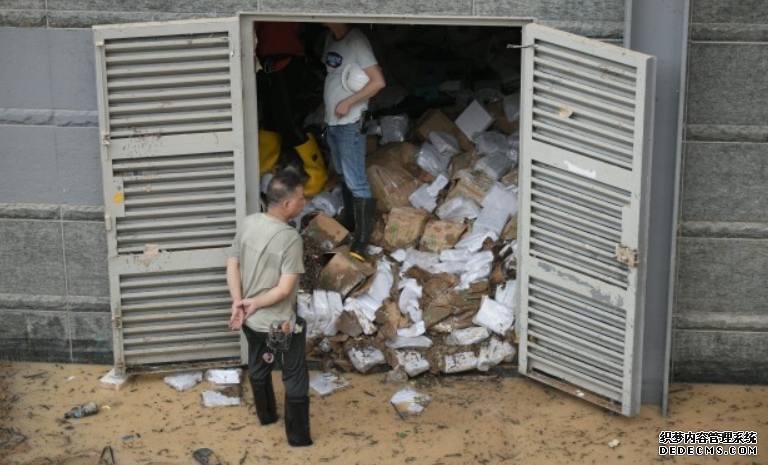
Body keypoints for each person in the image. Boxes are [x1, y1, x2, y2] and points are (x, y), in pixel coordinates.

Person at [226, 169, 312, 447]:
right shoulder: (290, 238)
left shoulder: (249, 222)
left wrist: (239, 302)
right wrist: (256, 302)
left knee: (259, 364)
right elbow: (284, 290)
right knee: (294, 374)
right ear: (286, 204)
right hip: (279, 324)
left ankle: (266, 416)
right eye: (302, 198)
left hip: (250, 321)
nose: (305, 202)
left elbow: (232, 263)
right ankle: (298, 438)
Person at [322, 23, 386, 259]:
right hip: (333, 122)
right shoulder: (330, 38)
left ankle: (362, 241)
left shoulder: (357, 41)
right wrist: (327, 115)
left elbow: (378, 81)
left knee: (356, 180)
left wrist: (348, 102)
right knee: (342, 173)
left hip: (350, 123)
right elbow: (334, 79)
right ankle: (350, 221)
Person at [256, 22, 327, 195]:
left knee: (289, 124)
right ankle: (264, 169)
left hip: (288, 65)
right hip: (268, 66)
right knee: (269, 123)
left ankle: (318, 175)